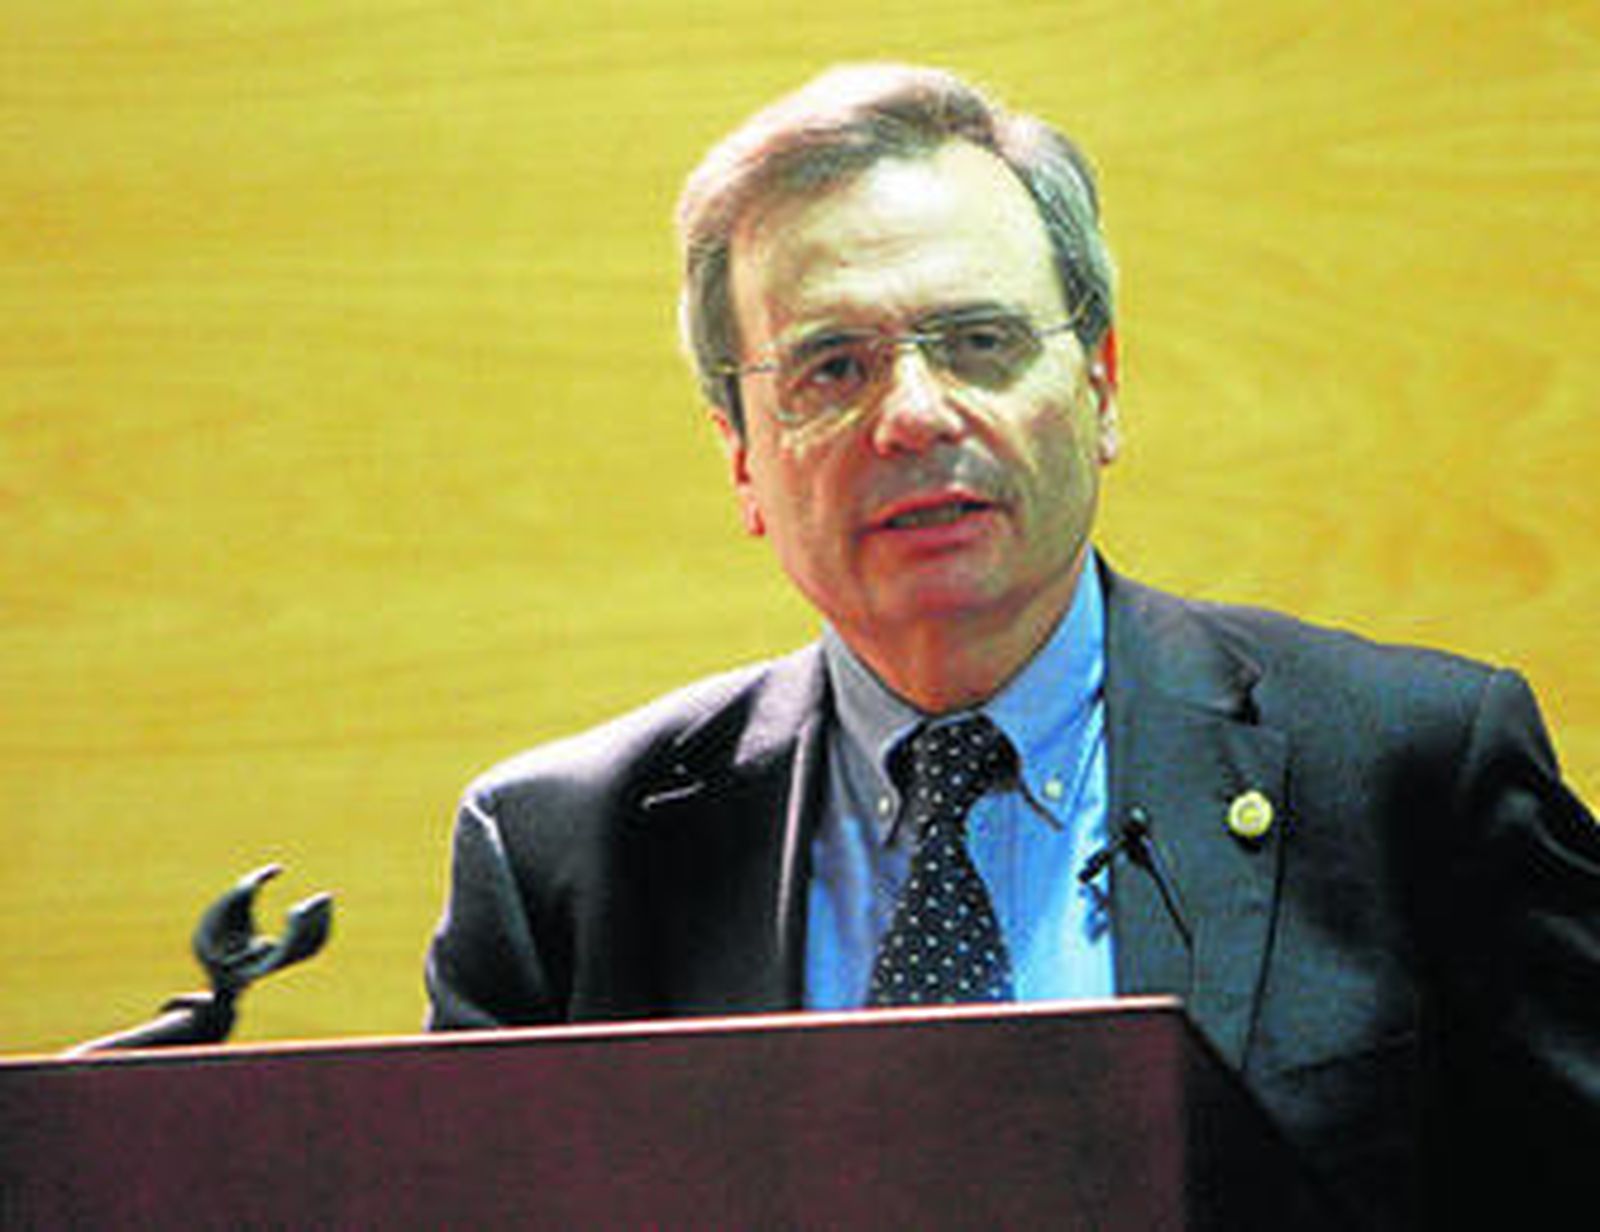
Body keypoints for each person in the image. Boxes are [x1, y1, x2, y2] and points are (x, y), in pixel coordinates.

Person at [426, 64, 1600, 1227]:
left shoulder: (1409, 774)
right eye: (832, 366)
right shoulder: (565, 864)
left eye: (980, 339)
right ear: (740, 454)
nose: (915, 412)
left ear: (1101, 384)